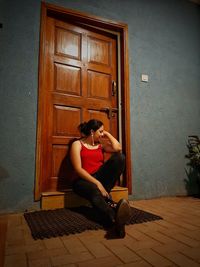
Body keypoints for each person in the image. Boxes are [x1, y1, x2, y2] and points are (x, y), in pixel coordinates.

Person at [70, 119, 130, 238]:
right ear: (92, 131)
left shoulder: (100, 145)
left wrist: (107, 134)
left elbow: (118, 149)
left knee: (120, 158)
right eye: (100, 131)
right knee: (94, 190)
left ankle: (113, 213)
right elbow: (78, 169)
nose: (102, 134)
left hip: (99, 178)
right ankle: (114, 217)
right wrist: (97, 183)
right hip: (82, 181)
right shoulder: (77, 144)